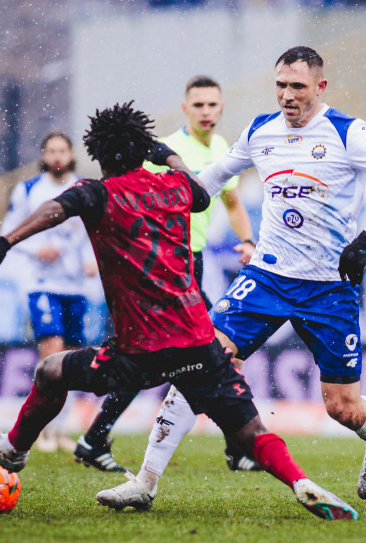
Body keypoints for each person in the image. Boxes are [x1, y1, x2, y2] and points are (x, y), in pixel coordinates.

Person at [0, 101, 358, 521]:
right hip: (200, 343)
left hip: (139, 351)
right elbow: (201, 192)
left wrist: (4, 244)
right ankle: (300, 482)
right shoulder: (175, 187)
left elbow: (57, 208)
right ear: (143, 149)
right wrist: (164, 153)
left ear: (96, 154)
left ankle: (15, 449)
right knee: (250, 432)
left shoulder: (97, 194)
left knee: (50, 372)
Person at [96, 46, 366, 511]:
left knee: (342, 408)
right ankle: (145, 483)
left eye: (297, 87)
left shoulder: (348, 133)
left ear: (320, 87)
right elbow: (204, 187)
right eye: (280, 86)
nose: (287, 96)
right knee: (197, 363)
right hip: (266, 278)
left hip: (330, 287)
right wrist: (154, 179)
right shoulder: (259, 131)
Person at [74, 75, 261, 473]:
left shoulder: (224, 147)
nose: (206, 112)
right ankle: (238, 444)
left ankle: (95, 437)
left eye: (212, 105)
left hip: (193, 261)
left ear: (222, 106)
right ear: (185, 109)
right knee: (213, 351)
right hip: (165, 267)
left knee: (169, 358)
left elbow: (231, 201)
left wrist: (247, 240)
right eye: (199, 105)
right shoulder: (167, 150)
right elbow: (122, 191)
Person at [0, 131, 99, 454]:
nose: (57, 156)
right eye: (51, 150)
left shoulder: (84, 189)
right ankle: (41, 430)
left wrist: (90, 261)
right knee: (51, 350)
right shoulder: (29, 190)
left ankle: (59, 429)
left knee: (69, 361)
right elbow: (9, 232)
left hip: (74, 286)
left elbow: (91, 233)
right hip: (41, 284)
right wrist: (35, 248)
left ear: (71, 155)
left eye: (62, 150)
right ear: (44, 156)